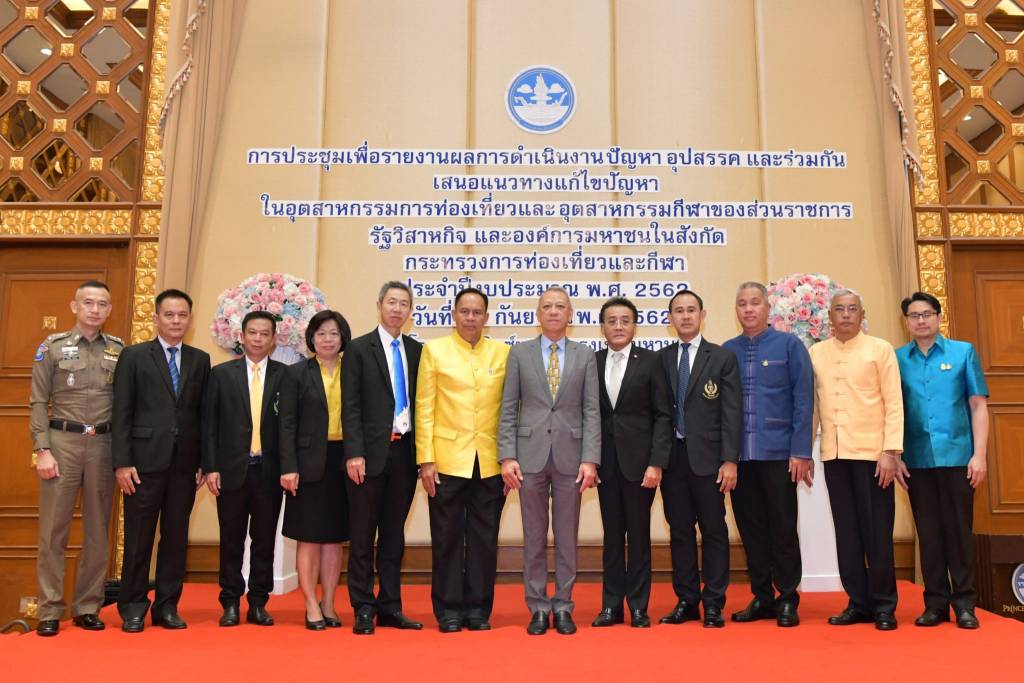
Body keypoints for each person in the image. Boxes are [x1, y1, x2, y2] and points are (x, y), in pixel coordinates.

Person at [498, 286, 600, 636]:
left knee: (567, 538)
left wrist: (591, 459)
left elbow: (591, 410)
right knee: (534, 537)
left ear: (570, 314)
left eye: (560, 306)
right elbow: (509, 408)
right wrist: (507, 455)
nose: (554, 311)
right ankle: (539, 607)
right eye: (547, 306)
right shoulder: (519, 353)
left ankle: (564, 605)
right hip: (529, 458)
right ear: (538, 314)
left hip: (572, 458)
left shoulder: (585, 355)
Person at [112, 288, 211, 632]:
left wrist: (204, 461)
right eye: (169, 315)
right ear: (156, 318)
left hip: (184, 467)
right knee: (138, 539)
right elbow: (121, 412)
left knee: (175, 539)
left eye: (182, 315)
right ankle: (133, 606)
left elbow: (203, 416)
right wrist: (122, 462)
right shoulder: (134, 356)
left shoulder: (200, 360)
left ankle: (167, 606)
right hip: (141, 465)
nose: (176, 321)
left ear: (190, 319)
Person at [30, 281, 124, 636]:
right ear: (74, 306)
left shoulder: (119, 350)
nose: (95, 309)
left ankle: (87, 606)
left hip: (103, 445)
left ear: (109, 309)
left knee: (98, 532)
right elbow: (38, 401)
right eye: (88, 303)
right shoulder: (52, 347)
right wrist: (42, 450)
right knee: (53, 531)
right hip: (62, 443)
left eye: (102, 304)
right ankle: (50, 609)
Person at [415, 288, 510, 632]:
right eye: (465, 311)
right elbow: (424, 407)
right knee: (447, 538)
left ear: (487, 317)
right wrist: (425, 459)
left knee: (485, 539)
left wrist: (510, 458)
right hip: (446, 462)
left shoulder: (503, 353)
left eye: (477, 312)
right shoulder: (434, 350)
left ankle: (479, 610)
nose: (471, 318)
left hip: (490, 461)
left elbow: (510, 409)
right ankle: (449, 609)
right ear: (453, 314)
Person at [810, 289, 904, 631]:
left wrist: (890, 452)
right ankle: (858, 602)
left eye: (852, 309)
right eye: (840, 309)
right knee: (847, 533)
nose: (846, 315)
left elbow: (894, 402)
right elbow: (814, 406)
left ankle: (884, 606)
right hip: (834, 455)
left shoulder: (880, 349)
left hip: (873, 457)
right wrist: (803, 451)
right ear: (830, 317)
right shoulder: (816, 353)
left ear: (862, 315)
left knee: (877, 533)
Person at [722, 282, 813, 627]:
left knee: (783, 528)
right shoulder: (727, 351)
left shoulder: (789, 346)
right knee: (751, 530)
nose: (748, 309)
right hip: (740, 458)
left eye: (754, 302)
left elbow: (804, 400)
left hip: (779, 454)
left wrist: (801, 451)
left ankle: (787, 598)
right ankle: (762, 597)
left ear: (767, 307)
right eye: (742, 303)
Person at [897, 291, 988, 629]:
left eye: (927, 314)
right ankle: (935, 604)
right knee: (929, 533)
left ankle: (964, 603)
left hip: (958, 458)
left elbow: (978, 406)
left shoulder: (963, 353)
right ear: (906, 322)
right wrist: (895, 454)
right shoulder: (897, 359)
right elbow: (892, 410)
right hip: (916, 460)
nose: (921, 320)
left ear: (938, 317)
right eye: (914, 315)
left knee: (958, 532)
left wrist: (979, 455)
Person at [656, 289, 741, 629]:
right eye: (679, 311)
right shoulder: (661, 359)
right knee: (680, 531)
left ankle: (714, 602)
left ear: (702, 315)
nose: (685, 316)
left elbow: (731, 413)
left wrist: (730, 460)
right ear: (670, 318)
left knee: (714, 530)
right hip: (673, 459)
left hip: (710, 460)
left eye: (691, 310)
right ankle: (687, 600)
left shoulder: (721, 358)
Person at [342, 281, 423, 634]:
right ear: (379, 305)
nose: (397, 309)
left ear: (410, 311)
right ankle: (363, 606)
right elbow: (350, 405)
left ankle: (390, 606)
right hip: (368, 456)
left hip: (405, 453)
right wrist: (354, 452)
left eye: (404, 304)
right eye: (391, 302)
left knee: (393, 535)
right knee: (362, 535)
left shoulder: (417, 351)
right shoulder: (358, 349)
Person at [591, 297, 672, 629]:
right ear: (602, 327)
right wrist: (589, 461)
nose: (618, 326)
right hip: (605, 465)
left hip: (641, 467)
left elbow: (663, 415)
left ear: (634, 326)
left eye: (625, 320)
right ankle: (611, 606)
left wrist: (657, 463)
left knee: (638, 536)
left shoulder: (651, 362)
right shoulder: (592, 361)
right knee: (612, 537)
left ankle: (638, 606)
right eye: (612, 321)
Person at [202, 311, 284, 627]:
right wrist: (211, 467)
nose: (258, 339)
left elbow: (289, 426)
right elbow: (210, 425)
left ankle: (259, 601)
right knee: (231, 539)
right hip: (232, 471)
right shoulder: (221, 374)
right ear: (242, 336)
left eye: (265, 334)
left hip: (269, 472)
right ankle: (230, 601)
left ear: (273, 339)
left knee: (264, 540)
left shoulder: (285, 375)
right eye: (252, 332)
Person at [279, 310, 352, 630]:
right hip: (307, 463)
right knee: (308, 537)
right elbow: (286, 424)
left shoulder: (353, 370)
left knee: (334, 538)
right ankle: (310, 603)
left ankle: (329, 602)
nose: (327, 339)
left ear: (342, 337)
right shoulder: (296, 373)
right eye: (321, 333)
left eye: (334, 333)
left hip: (344, 462)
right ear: (311, 338)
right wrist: (288, 467)